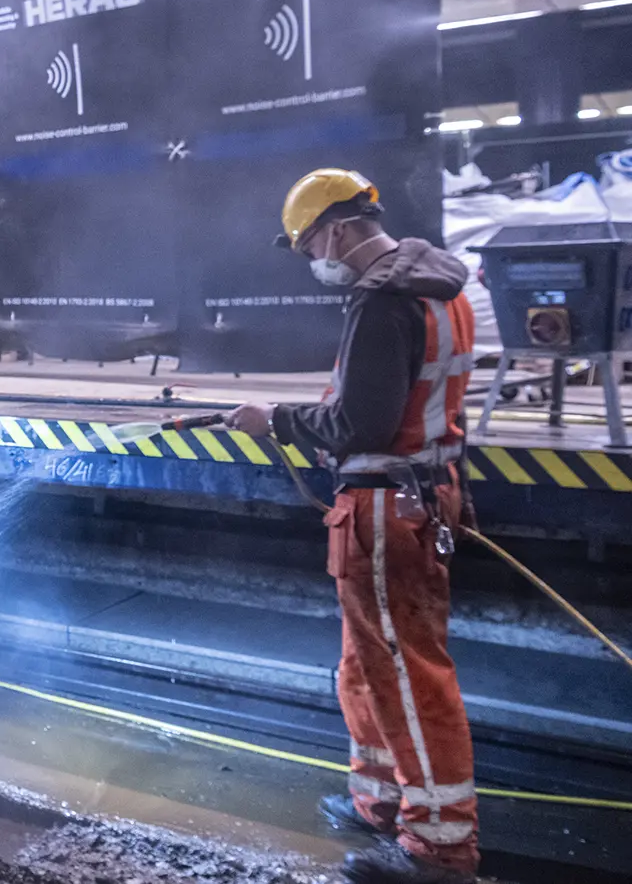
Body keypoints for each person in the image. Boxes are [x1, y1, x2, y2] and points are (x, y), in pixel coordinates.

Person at [227, 169, 478, 884]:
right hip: (424, 494)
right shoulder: (444, 291)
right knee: (369, 663)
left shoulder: (380, 302)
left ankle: (440, 844)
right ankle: (381, 797)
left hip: (384, 508)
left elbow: (359, 423)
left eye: (309, 245)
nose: (313, 260)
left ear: (336, 231)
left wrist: (272, 420)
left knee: (404, 672)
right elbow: (425, 407)